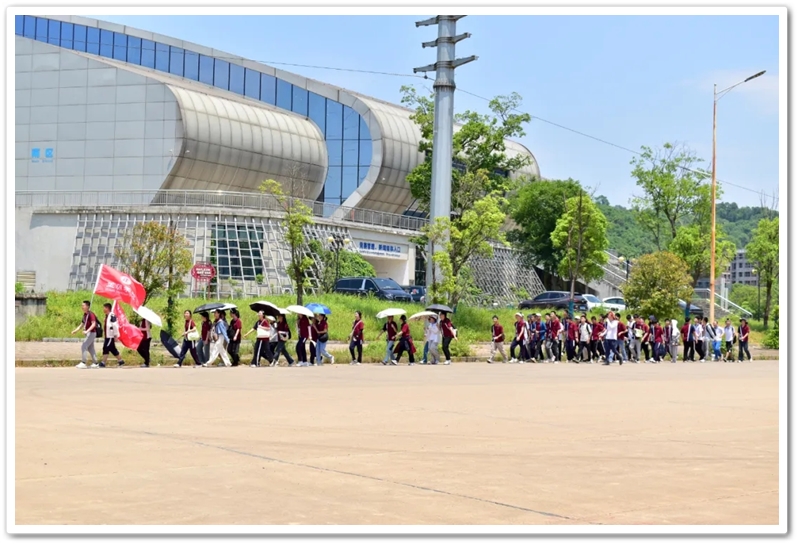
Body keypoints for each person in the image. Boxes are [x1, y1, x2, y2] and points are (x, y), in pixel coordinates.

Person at [72, 300, 100, 368]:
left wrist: (87, 331)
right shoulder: (85, 315)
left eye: (83, 305)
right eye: (82, 305)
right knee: (91, 348)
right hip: (89, 333)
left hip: (92, 333)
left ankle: (83, 362)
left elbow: (93, 324)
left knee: (84, 346)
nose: (82, 307)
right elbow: (82, 324)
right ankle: (96, 363)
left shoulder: (91, 314)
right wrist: (75, 331)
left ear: (87, 306)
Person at [99, 302, 124, 368]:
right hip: (107, 335)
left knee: (106, 348)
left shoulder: (112, 315)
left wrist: (115, 335)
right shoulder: (107, 316)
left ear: (107, 308)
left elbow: (115, 325)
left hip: (110, 336)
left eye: (104, 308)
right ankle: (120, 361)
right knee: (112, 349)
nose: (103, 309)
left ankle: (103, 362)